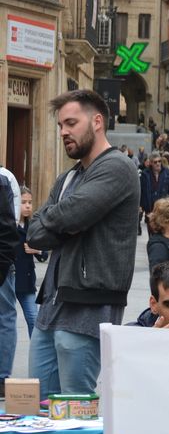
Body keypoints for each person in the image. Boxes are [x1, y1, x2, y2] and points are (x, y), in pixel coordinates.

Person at [26, 89, 139, 398]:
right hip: (51, 304)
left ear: (97, 121)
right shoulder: (69, 178)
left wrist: (63, 221)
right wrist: (62, 222)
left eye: (71, 123)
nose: (64, 132)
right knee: (36, 407)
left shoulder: (117, 167)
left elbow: (71, 216)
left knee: (75, 410)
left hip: (89, 306)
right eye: (61, 125)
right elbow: (35, 231)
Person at [14, 186, 47, 337]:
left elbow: (44, 254)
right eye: (23, 202)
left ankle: (36, 356)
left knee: (34, 319)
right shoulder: (8, 226)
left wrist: (37, 250)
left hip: (26, 282)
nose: (27, 206)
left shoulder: (33, 226)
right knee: (7, 320)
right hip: (8, 280)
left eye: (30, 202)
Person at [0, 176, 20, 396]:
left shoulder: (3, 181)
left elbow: (7, 227)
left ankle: (2, 377)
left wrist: (3, 264)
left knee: (4, 316)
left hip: (2, 264)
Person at [139, 150, 169, 235]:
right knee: (151, 234)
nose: (158, 164)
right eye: (155, 162)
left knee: (162, 233)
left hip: (163, 210)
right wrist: (140, 206)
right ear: (151, 163)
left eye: (159, 161)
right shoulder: (145, 174)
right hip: (150, 209)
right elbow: (141, 191)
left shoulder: (167, 173)